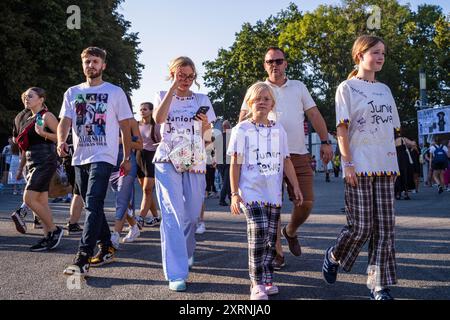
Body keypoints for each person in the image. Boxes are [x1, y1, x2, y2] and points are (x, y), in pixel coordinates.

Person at [322, 35, 400, 300]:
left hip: (386, 166)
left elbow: (389, 129)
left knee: (385, 228)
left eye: (383, 54)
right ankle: (334, 255)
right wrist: (348, 163)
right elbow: (342, 128)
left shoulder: (385, 90)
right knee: (362, 227)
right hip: (360, 165)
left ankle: (378, 285)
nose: (380, 57)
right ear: (359, 55)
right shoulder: (347, 88)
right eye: (375, 52)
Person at [239, 47, 333, 268]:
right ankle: (277, 252)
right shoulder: (257, 89)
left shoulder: (299, 86)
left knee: (306, 202)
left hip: (297, 153)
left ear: (286, 64)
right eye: (270, 61)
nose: (275, 65)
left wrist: (326, 141)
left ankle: (290, 231)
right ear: (264, 65)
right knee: (273, 204)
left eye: (279, 61)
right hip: (265, 156)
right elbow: (243, 119)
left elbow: (314, 114)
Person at [58, 47, 133, 277]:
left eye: (95, 61)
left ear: (103, 66)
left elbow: (126, 127)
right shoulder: (72, 92)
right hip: (79, 156)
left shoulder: (115, 92)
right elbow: (65, 121)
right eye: (87, 62)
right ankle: (108, 245)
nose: (91, 65)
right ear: (83, 65)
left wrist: (127, 156)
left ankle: (82, 258)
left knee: (92, 202)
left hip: (104, 155)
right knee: (94, 205)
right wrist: (61, 141)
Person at [229, 82, 303, 300]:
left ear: (272, 104)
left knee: (271, 237)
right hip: (251, 193)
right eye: (257, 99)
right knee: (258, 232)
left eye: (266, 99)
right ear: (250, 103)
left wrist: (295, 185)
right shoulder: (241, 129)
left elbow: (286, 160)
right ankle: (257, 283)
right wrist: (235, 193)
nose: (262, 102)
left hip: (273, 193)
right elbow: (235, 162)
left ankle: (268, 278)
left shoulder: (278, 129)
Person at [153, 56, 216, 291]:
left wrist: (206, 125)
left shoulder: (202, 99)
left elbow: (209, 134)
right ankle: (176, 273)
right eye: (181, 75)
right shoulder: (163, 95)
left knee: (190, 216)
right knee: (172, 215)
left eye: (190, 76)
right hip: (167, 157)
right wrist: (172, 88)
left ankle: (187, 251)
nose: (186, 80)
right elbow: (158, 119)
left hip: (194, 157)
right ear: (172, 74)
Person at [11, 87, 63, 251]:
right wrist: (21, 167)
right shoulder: (28, 119)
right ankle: (48, 236)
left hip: (46, 160)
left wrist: (43, 134)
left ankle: (55, 230)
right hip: (32, 161)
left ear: (41, 99)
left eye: (30, 96)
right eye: (25, 96)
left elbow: (63, 136)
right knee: (41, 201)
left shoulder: (47, 116)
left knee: (29, 198)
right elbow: (25, 148)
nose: (27, 99)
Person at [109, 98, 143, 249]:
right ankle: (134, 227)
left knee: (122, 199)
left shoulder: (131, 121)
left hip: (128, 162)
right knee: (122, 199)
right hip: (109, 164)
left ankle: (115, 235)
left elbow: (140, 145)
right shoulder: (107, 119)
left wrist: (121, 141)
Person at [135, 102, 161, 228]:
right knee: (146, 191)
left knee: (147, 189)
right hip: (139, 156)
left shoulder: (156, 126)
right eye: (140, 109)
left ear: (151, 111)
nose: (142, 111)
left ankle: (140, 218)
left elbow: (163, 143)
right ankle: (156, 217)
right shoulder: (135, 125)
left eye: (145, 109)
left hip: (152, 157)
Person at [216, 120, 232, 206]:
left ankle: (230, 198)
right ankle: (222, 199)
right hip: (227, 162)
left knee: (227, 181)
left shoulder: (218, 137)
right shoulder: (231, 137)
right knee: (226, 182)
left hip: (220, 162)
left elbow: (215, 149)